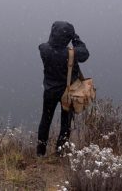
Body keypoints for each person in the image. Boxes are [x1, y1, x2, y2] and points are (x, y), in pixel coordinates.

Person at [37, 20, 89, 157]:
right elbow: (85, 54)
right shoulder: (71, 53)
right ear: (67, 37)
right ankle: (60, 152)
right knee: (66, 122)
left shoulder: (43, 49)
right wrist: (75, 38)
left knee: (45, 120)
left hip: (49, 90)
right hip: (68, 92)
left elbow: (48, 44)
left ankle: (40, 152)